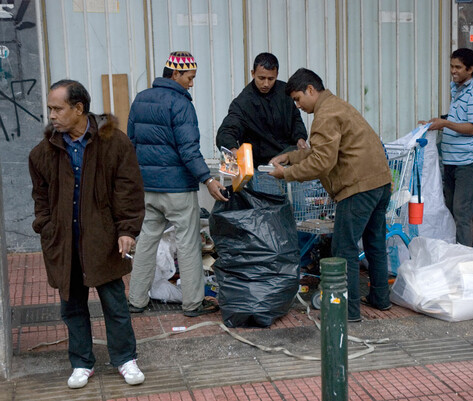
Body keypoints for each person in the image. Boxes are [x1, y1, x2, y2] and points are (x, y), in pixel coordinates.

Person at [29, 80, 146, 389]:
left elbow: (129, 191)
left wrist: (127, 230)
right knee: (72, 305)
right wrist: (46, 226)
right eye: (50, 109)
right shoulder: (44, 152)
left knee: (114, 303)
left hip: (103, 239)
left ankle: (125, 358)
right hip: (64, 241)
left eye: (58, 109)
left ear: (79, 109)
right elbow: (40, 196)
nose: (52, 116)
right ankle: (81, 362)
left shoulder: (115, 143)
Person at [269, 68, 393, 322]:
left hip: (357, 187)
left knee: (343, 247)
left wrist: (287, 173)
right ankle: (381, 298)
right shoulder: (337, 105)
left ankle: (348, 311)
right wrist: (290, 156)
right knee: (375, 242)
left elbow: (321, 163)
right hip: (379, 181)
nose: (298, 105)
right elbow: (321, 153)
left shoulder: (324, 115)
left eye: (298, 99)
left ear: (310, 90)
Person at [127, 51, 225, 317]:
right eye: (189, 77)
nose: (192, 83)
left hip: (148, 188)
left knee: (146, 241)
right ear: (175, 74)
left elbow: (131, 144)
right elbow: (188, 149)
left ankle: (136, 300)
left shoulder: (140, 99)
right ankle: (193, 303)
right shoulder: (180, 104)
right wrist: (208, 178)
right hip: (177, 189)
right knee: (188, 244)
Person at [420, 48, 473, 247]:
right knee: (450, 207)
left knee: (462, 210)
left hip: (467, 161)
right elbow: (457, 119)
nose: (453, 71)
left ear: (470, 69)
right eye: (451, 66)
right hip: (451, 159)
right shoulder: (457, 88)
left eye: (458, 67)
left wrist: (445, 124)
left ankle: (465, 255)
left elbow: (472, 127)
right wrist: (433, 123)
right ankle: (453, 251)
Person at [216, 52, 308, 167]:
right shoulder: (243, 102)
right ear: (253, 73)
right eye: (261, 78)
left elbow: (296, 119)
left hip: (288, 157)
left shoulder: (285, 92)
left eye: (271, 79)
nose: (266, 84)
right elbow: (227, 131)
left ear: (277, 75)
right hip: (260, 165)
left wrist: (300, 138)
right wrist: (233, 149)